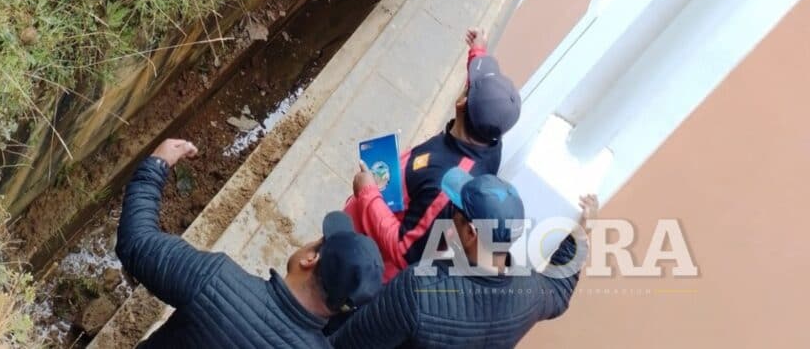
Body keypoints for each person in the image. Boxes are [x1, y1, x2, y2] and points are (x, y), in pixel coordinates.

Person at [115, 138, 384, 347]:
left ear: (310, 258)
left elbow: (136, 242)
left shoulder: (217, 282)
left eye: (320, 240)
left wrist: (156, 165)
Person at [332, 174, 597, 348]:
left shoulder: (418, 290)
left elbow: (348, 344)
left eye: (454, 214)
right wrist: (582, 233)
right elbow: (560, 292)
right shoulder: (530, 295)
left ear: (470, 232)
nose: (448, 217)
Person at [344, 27, 522, 281]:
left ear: (462, 104)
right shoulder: (490, 138)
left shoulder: (447, 186)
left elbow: (405, 251)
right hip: (384, 204)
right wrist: (477, 50)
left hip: (366, 251)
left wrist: (368, 193)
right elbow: (480, 93)